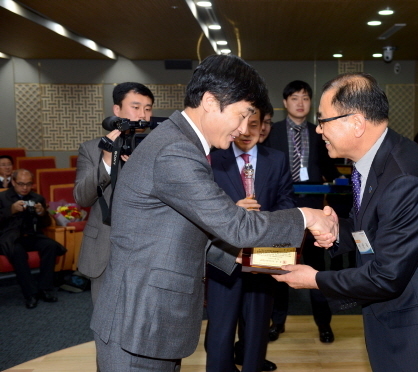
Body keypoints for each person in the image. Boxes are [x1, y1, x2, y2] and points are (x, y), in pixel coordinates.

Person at [90, 54, 337, 372]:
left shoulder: (177, 142)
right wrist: (309, 216)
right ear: (210, 101)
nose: (244, 128)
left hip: (148, 322)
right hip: (139, 323)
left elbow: (181, 232)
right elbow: (236, 225)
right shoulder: (176, 150)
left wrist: (264, 262)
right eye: (241, 115)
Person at [275, 73, 418, 372]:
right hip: (399, 317)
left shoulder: (405, 179)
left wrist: (315, 280)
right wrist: (338, 232)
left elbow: (387, 276)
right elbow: (378, 231)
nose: (319, 129)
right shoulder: (376, 161)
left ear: (357, 122)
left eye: (324, 120)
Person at [205, 106, 294, 372]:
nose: (247, 132)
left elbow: (287, 203)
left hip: (264, 254)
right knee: (221, 331)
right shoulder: (213, 158)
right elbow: (204, 206)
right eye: (242, 124)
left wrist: (263, 222)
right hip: (224, 253)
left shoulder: (277, 159)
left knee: (257, 330)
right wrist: (234, 210)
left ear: (263, 127)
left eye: (254, 125)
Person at [264, 80, 340, 343]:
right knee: (283, 267)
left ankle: (324, 324)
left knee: (317, 268)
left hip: (314, 207)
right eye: (294, 98)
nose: (300, 103)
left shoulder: (319, 132)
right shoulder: (271, 132)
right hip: (282, 207)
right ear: (285, 103)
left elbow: (330, 169)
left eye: (305, 98)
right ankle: (277, 321)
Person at [73, 82, 154, 305]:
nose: (143, 115)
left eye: (148, 109)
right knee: (105, 324)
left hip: (150, 251)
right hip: (105, 250)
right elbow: (82, 197)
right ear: (117, 110)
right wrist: (107, 163)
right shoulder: (92, 149)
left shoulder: (160, 149)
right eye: (136, 107)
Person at [0, 169, 66, 308]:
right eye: (21, 184)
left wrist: (42, 213)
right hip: (8, 238)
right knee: (17, 252)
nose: (25, 188)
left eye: (28, 184)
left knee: (50, 246)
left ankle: (45, 288)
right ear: (13, 182)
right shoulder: (3, 197)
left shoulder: (37, 198)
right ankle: (30, 293)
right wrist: (10, 210)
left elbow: (46, 224)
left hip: (31, 236)